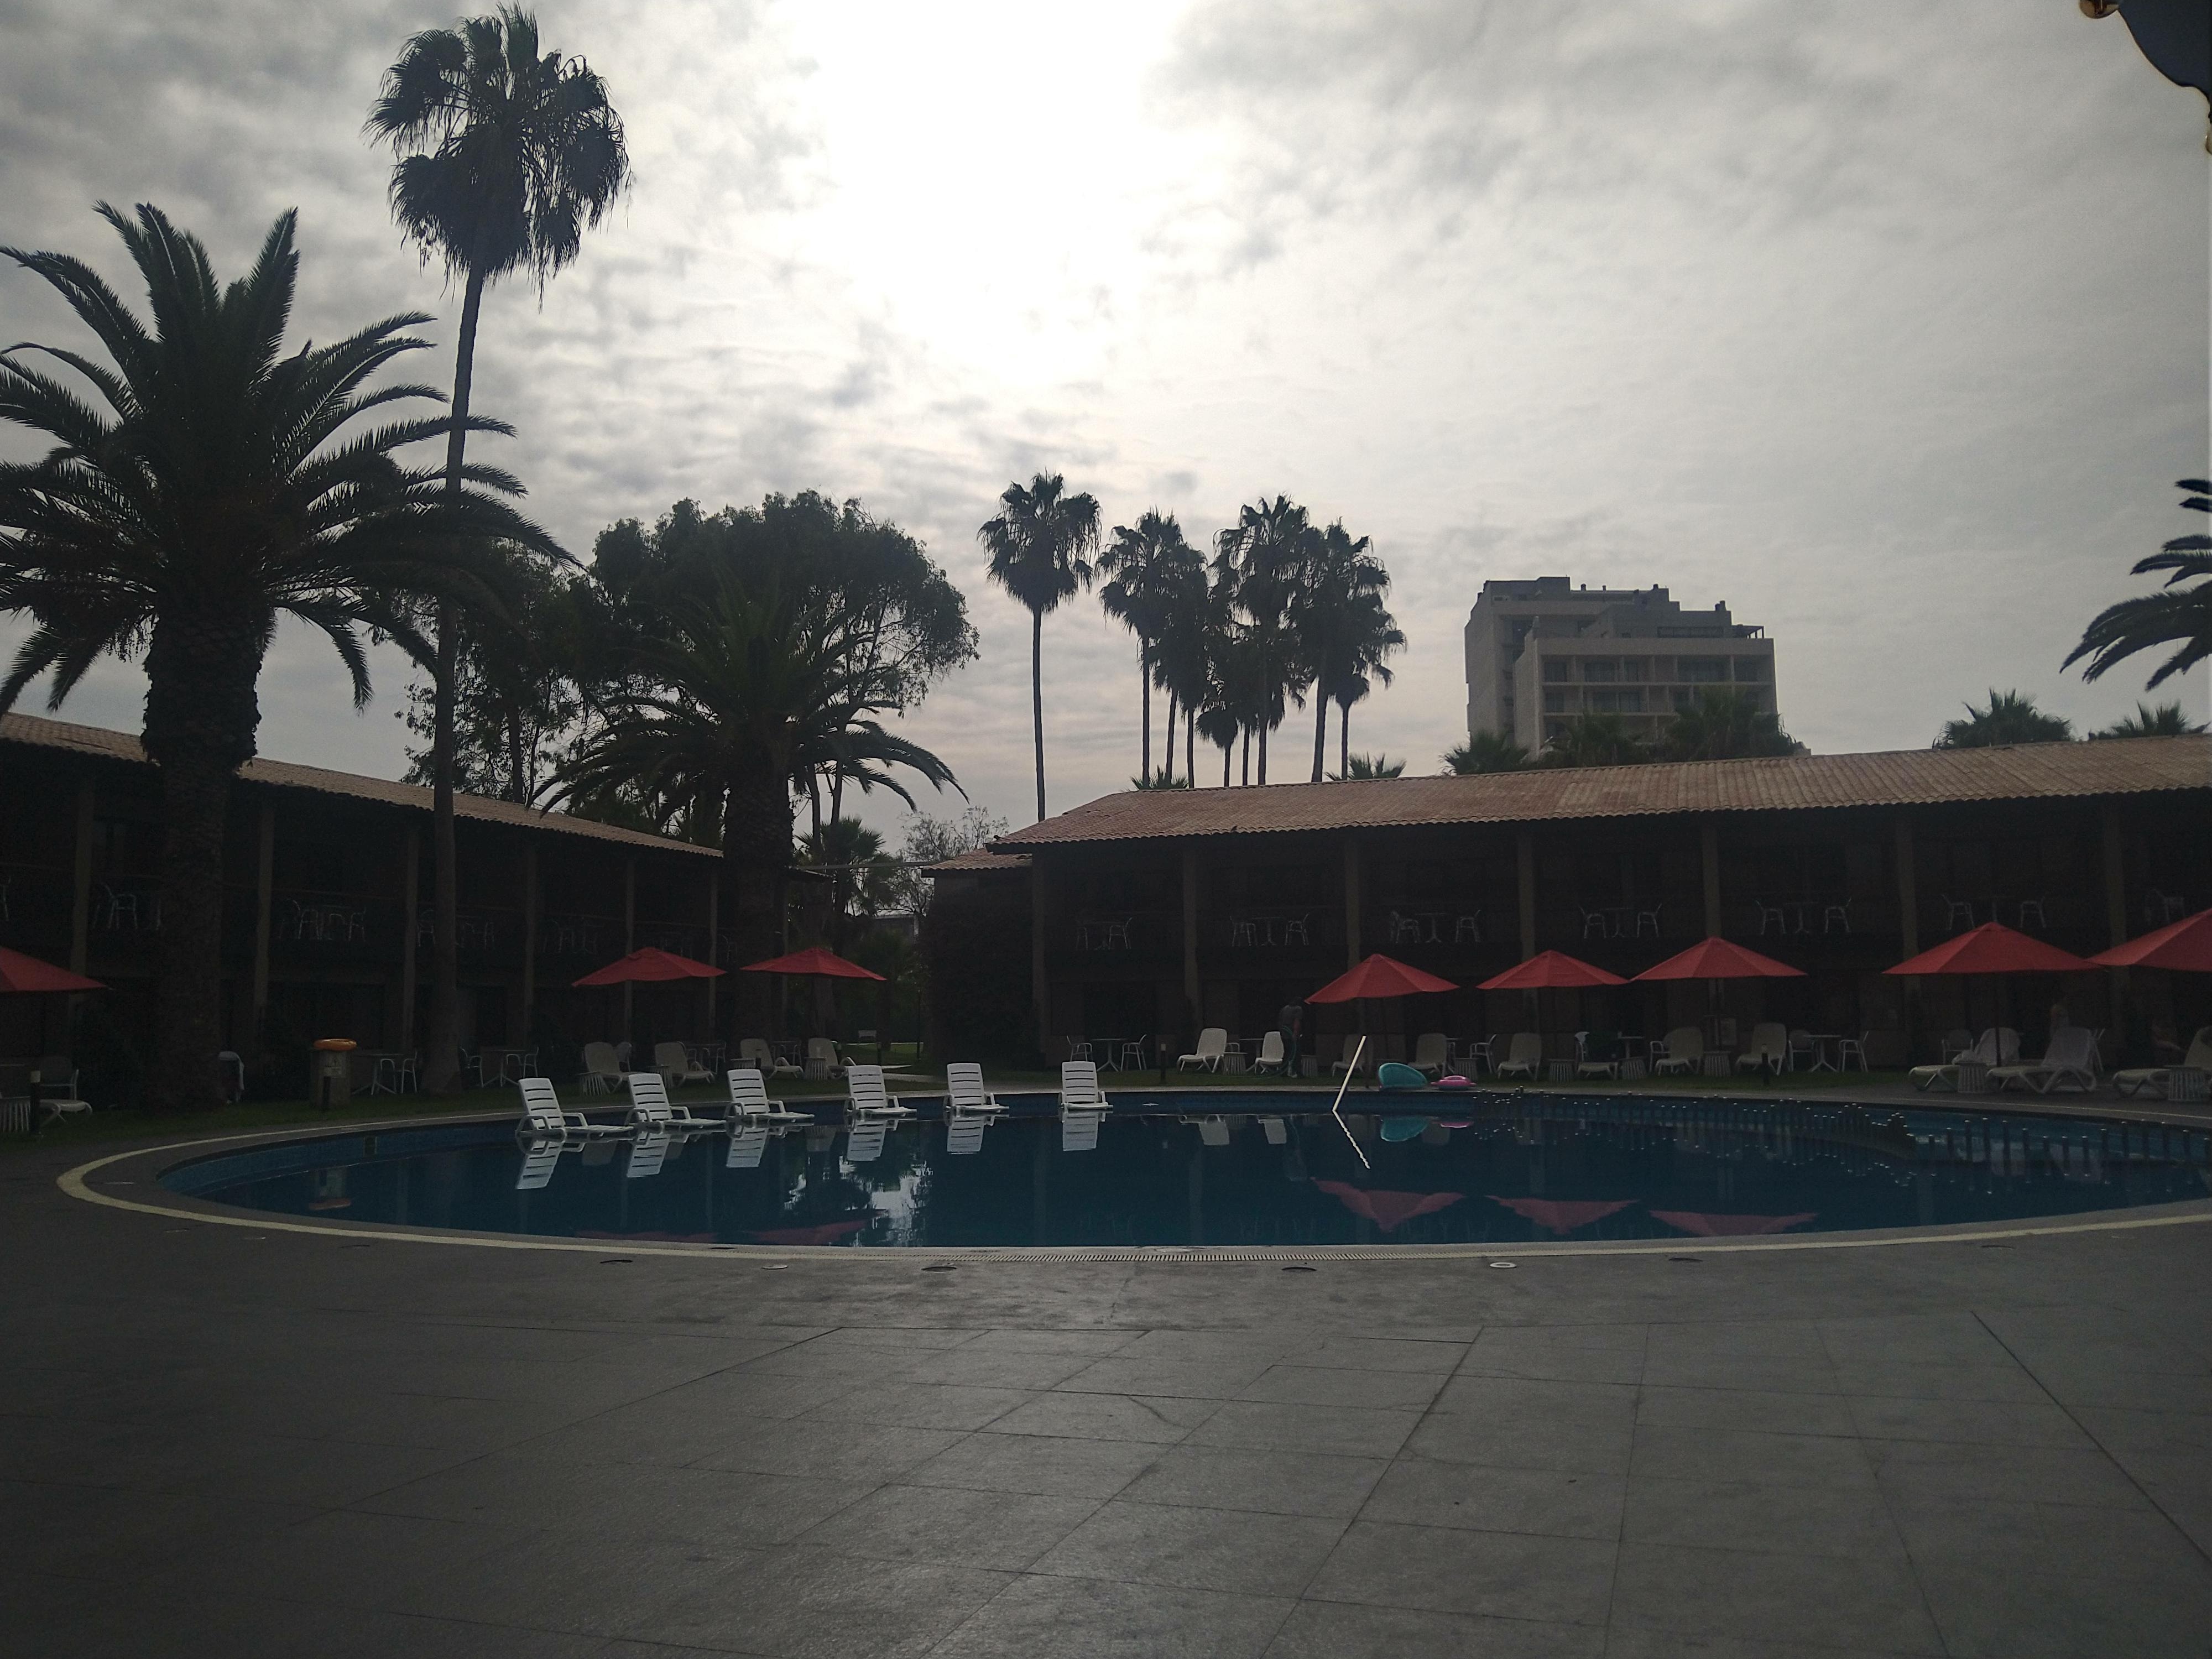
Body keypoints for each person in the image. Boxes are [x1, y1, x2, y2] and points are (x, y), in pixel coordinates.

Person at [1276, 998, 1305, 1076]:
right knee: (1296, 1054)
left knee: (1287, 1054)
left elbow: (1280, 1022)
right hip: (1292, 1035)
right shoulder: (1298, 1009)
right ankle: (1298, 1073)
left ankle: (1283, 1072)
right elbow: (1297, 1022)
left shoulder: (1284, 1009)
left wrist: (1282, 1032)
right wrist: (1295, 1034)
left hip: (1285, 1035)